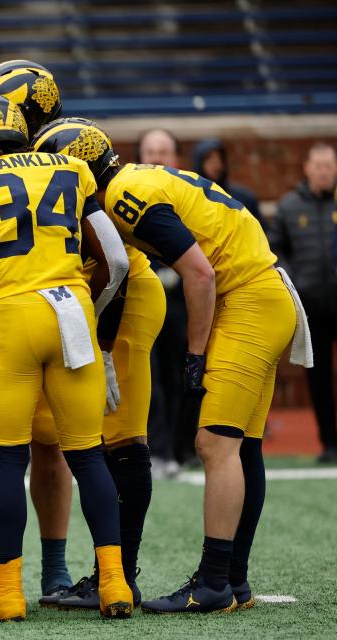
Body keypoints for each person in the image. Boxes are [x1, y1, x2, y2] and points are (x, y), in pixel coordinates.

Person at [74, 122, 308, 613]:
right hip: (261, 292)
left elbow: (199, 275)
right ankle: (234, 580)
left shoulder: (122, 197)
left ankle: (214, 582)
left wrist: (195, 351)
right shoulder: (137, 180)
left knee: (215, 443)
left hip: (246, 298)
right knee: (243, 447)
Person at [0, 94, 133, 622]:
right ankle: (114, 584)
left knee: (8, 460)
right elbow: (119, 260)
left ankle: (9, 591)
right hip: (71, 310)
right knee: (85, 453)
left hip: (8, 316)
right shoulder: (71, 166)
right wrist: (91, 300)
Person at [0, 60, 78, 610]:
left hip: (2, 306)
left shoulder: (66, 157)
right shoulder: (62, 157)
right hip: (3, 304)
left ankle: (50, 565)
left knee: (47, 443)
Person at [33, 118, 167, 611]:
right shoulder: (110, 188)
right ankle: (114, 571)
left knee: (124, 439)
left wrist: (107, 350)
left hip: (124, 307)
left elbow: (120, 269)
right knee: (113, 441)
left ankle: (120, 575)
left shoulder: (106, 199)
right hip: (116, 304)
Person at [270, 142, 337, 462]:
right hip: (311, 308)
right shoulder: (288, 207)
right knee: (319, 377)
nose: (324, 171)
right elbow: (276, 250)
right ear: (307, 168)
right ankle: (329, 443)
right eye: (319, 165)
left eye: (329, 165)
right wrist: (295, 281)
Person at [136, 128, 187, 475]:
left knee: (180, 377)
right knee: (147, 380)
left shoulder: (188, 193)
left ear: (175, 157)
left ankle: (180, 451)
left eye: (163, 151)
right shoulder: (130, 194)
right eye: (150, 150)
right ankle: (154, 450)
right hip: (144, 302)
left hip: (184, 304)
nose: (156, 157)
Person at [192, 138, 263, 228]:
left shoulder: (243, 198)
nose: (216, 164)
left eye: (219, 159)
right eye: (209, 159)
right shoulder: (191, 198)